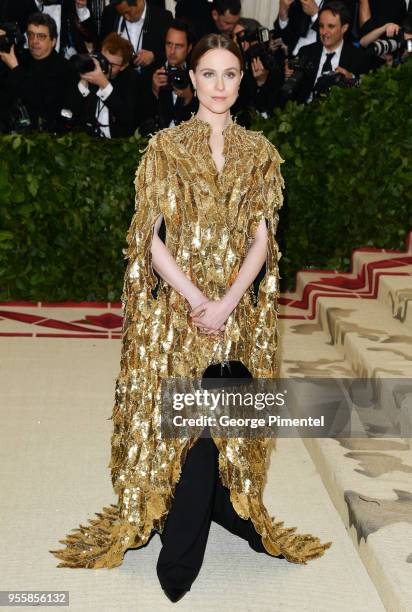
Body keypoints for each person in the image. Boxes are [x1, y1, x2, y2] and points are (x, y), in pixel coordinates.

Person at [50, 33, 332, 602]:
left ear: (241, 80)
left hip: (237, 310)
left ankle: (226, 509)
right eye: (209, 74)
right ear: (192, 79)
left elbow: (262, 241)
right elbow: (149, 240)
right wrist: (197, 298)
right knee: (194, 424)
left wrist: (227, 301)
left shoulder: (259, 152)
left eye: (230, 74)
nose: (220, 85)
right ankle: (181, 552)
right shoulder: (165, 148)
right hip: (179, 311)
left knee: (225, 413)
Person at [0, 12, 76, 132]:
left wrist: (15, 69)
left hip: (46, 138)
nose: (34, 41)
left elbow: (42, 107)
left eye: (41, 36)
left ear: (53, 41)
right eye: (31, 35)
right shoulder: (20, 58)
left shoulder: (65, 69)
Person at [284, 1, 370, 103]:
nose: (324, 32)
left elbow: (366, 91)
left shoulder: (357, 57)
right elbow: (292, 91)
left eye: (331, 26)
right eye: (321, 26)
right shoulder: (306, 52)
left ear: (344, 28)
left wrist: (351, 79)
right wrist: (288, 75)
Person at [65, 33, 139, 137]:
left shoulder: (130, 78)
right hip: (86, 141)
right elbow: (68, 112)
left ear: (123, 66)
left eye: (112, 65)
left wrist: (104, 84)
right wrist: (83, 83)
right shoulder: (90, 68)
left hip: (116, 144)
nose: (105, 66)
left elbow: (126, 117)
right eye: (104, 60)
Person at [140, 19, 198, 135]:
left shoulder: (197, 75)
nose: (172, 51)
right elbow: (140, 118)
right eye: (169, 44)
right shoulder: (151, 72)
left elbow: (202, 124)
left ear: (189, 48)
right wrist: (154, 92)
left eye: (178, 46)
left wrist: (188, 98)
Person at [100, 0, 172, 76]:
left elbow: (172, 53)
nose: (126, 17)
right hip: (117, 83)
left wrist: (154, 55)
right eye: (122, 14)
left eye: (128, 12)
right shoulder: (109, 13)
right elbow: (100, 47)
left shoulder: (163, 17)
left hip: (150, 83)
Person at [1, 0, 97, 57]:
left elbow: (91, 36)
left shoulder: (70, 2)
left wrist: (81, 9)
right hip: (30, 63)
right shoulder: (12, 3)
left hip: (67, 63)